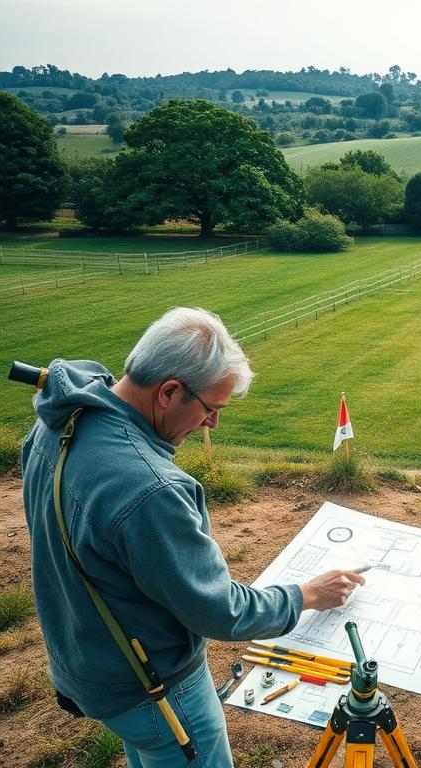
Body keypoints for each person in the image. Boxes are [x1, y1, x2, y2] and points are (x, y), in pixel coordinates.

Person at [21, 307, 365, 767]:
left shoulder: (59, 421)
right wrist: (306, 594)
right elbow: (220, 611)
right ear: (169, 391)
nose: (213, 424)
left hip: (88, 661)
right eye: (211, 409)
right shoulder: (150, 490)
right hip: (157, 691)